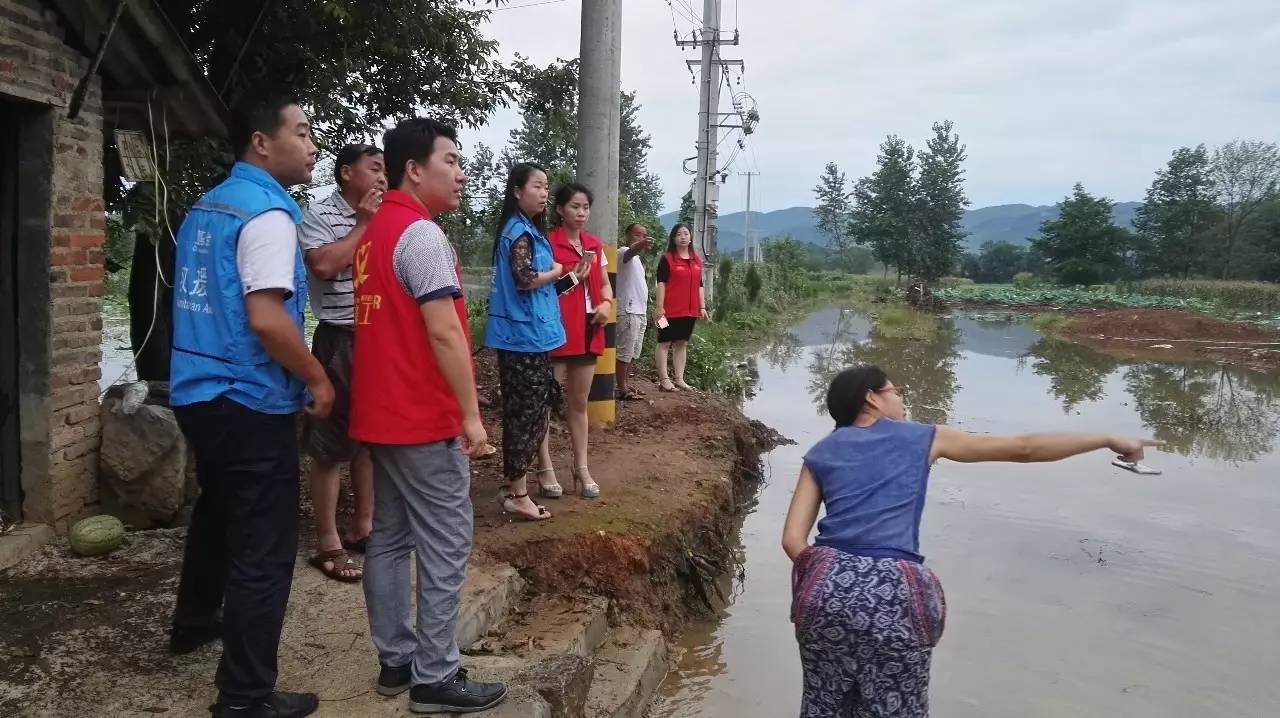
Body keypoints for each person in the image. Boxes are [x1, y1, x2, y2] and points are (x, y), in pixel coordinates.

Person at [782, 365, 1160, 717]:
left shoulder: (820, 452)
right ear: (871, 398)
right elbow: (1023, 448)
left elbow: (793, 540)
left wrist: (836, 574)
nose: (901, 400)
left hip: (825, 589)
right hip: (893, 590)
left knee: (824, 705)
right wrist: (1108, 438)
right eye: (895, 392)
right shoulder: (923, 436)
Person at [168, 92, 332, 718]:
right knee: (264, 548)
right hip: (247, 396)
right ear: (262, 143)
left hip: (197, 393)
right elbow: (267, 319)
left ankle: (193, 620)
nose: (312, 143)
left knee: (218, 511)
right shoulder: (267, 214)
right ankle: (244, 696)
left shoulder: (208, 205)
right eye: (301, 130)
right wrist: (317, 376)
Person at [348, 117, 507, 714]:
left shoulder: (375, 233)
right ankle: (434, 676)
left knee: (388, 538)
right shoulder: (421, 236)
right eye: (452, 162)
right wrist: (470, 416)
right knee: (446, 540)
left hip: (380, 415)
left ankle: (396, 660)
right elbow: (443, 332)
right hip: (420, 417)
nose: (462, 176)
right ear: (414, 170)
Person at [297, 143, 387, 582]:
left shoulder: (389, 212)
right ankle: (328, 542)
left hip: (378, 338)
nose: (383, 177)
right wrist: (365, 224)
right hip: (340, 338)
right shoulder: (318, 215)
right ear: (347, 173)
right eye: (375, 168)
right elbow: (323, 266)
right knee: (331, 446)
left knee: (370, 440)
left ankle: (364, 527)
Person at [483, 163, 573, 521]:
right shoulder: (519, 232)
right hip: (522, 338)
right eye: (537, 186)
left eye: (546, 187)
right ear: (517, 191)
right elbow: (526, 279)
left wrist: (568, 278)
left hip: (530, 335)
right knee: (525, 415)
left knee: (532, 411)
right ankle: (518, 494)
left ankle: (513, 485)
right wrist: (557, 271)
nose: (544, 193)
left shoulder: (528, 232)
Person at [546, 182, 611, 498]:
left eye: (586, 207)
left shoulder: (595, 246)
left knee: (579, 402)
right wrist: (574, 278)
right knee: (545, 403)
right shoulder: (547, 244)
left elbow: (605, 286)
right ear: (560, 210)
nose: (581, 212)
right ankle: (545, 469)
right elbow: (542, 293)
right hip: (556, 331)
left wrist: (607, 306)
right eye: (575, 206)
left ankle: (581, 466)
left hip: (588, 329)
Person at [654, 222, 709, 392]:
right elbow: (661, 283)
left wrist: (702, 307)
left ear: (691, 237)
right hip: (667, 312)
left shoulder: (696, 260)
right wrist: (659, 306)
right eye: (679, 234)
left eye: (686, 233)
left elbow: (700, 285)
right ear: (673, 238)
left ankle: (679, 379)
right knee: (664, 342)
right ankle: (664, 379)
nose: (683, 237)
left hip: (689, 311)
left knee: (682, 343)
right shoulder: (667, 258)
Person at [614, 222, 654, 401]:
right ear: (628, 237)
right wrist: (640, 245)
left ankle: (627, 386)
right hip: (628, 310)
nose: (642, 238)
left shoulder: (637, 261)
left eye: (644, 235)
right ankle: (622, 388)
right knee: (624, 353)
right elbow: (631, 250)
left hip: (640, 312)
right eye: (638, 234)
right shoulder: (623, 252)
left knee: (632, 353)